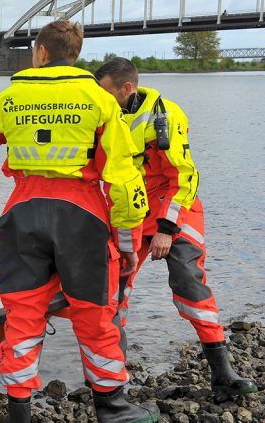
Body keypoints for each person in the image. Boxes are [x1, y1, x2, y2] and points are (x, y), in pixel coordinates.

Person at [0, 20, 157, 423]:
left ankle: (19, 410)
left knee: (22, 315)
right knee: (95, 315)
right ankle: (112, 407)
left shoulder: (8, 98)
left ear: (39, 53)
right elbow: (125, 182)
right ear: (75, 55)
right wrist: (128, 244)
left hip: (23, 214)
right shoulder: (101, 101)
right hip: (83, 218)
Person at [94, 57, 258, 397]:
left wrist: (167, 228)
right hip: (130, 210)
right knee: (113, 290)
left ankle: (223, 374)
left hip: (174, 207)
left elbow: (183, 177)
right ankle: (111, 381)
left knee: (189, 283)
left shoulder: (165, 115)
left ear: (127, 88)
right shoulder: (103, 113)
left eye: (107, 93)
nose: (101, 99)